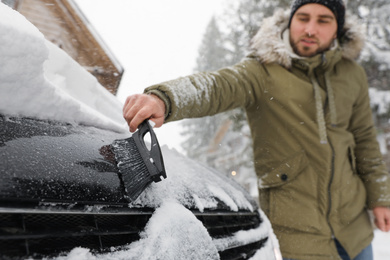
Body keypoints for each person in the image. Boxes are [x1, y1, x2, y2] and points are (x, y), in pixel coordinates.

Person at [123, 0, 390, 259]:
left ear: (338, 29)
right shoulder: (262, 70)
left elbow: (365, 140)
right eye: (303, 18)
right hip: (297, 233)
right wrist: (165, 99)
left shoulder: (351, 74)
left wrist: (380, 198)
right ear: (290, 20)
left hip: (355, 229)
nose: (311, 29)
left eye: (324, 20)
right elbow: (217, 86)